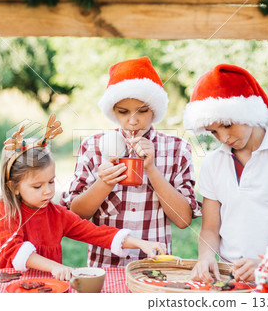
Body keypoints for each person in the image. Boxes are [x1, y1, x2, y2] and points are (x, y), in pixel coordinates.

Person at [0, 115, 166, 280]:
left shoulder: (57, 215)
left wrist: (141, 243)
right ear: (13, 187)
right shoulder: (4, 210)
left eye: (51, 182)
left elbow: (96, 233)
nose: (47, 191)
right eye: (37, 186)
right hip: (3, 282)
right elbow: (15, 251)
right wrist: (54, 266)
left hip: (43, 286)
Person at [60, 57, 201, 267]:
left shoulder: (177, 149)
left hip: (155, 267)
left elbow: (183, 221)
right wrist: (104, 183)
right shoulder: (93, 147)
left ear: (155, 109)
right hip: (105, 264)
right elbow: (75, 215)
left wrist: (152, 169)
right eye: (123, 112)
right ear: (112, 110)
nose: (133, 121)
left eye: (142, 111)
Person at [183, 64, 268, 283]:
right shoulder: (214, 163)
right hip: (229, 279)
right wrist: (205, 257)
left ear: (249, 113)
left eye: (228, 125)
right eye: (214, 131)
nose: (223, 138)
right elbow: (210, 228)